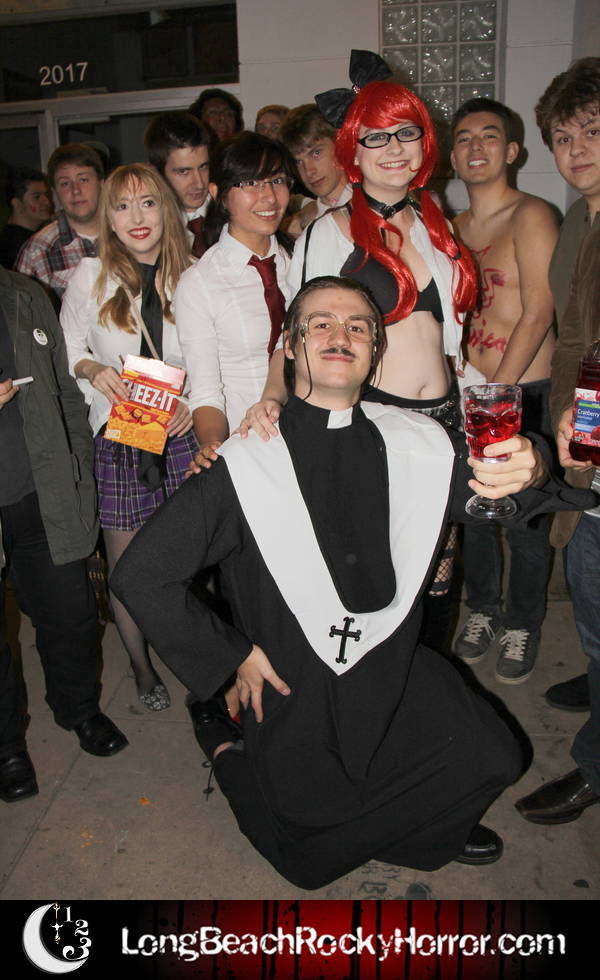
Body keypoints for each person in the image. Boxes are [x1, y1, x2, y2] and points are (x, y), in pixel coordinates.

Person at [111, 274, 593, 889]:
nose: (340, 334)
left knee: (498, 756)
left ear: (374, 352)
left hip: (391, 667)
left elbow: (507, 497)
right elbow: (141, 575)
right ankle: (224, 744)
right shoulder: (245, 462)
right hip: (295, 684)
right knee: (309, 864)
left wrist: (536, 463)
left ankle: (405, 828)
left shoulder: (418, 443)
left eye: (358, 327)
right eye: (320, 324)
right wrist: (231, 659)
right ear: (291, 346)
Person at [240, 51, 479, 650]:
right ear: (353, 149)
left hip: (444, 418)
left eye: (406, 132)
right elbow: (297, 334)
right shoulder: (329, 232)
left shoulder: (438, 224)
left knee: (438, 570)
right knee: (378, 571)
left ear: (425, 141)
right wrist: (273, 397)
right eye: (375, 137)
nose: (394, 148)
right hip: (375, 421)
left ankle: (427, 685)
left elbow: (451, 336)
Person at [60, 163, 195, 712]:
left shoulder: (194, 275)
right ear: (108, 219)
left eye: (147, 203)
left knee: (189, 560)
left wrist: (195, 403)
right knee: (127, 567)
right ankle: (141, 668)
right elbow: (67, 349)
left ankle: (195, 659)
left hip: (183, 433)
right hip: (122, 436)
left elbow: (215, 357)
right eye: (121, 206)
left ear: (166, 209)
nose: (136, 217)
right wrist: (92, 369)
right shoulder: (90, 276)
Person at [0, 267, 128, 803]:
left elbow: (62, 390)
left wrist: (80, 466)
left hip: (42, 490)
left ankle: (78, 709)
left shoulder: (23, 293)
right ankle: (7, 747)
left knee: (72, 617)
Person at [515, 57, 600, 824]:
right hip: (587, 426)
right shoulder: (581, 216)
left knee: (593, 572)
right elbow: (576, 337)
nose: (577, 151)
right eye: (564, 138)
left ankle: (595, 767)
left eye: (593, 132)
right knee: (583, 567)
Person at [450, 98, 559, 684]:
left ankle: (522, 621)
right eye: (464, 138)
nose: (476, 147)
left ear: (512, 151)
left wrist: (497, 393)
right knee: (474, 512)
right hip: (470, 393)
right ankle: (484, 610)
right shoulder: (450, 229)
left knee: (525, 518)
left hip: (523, 391)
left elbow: (538, 310)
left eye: (489, 136)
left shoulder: (532, 214)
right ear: (452, 156)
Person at [174, 132, 293, 462]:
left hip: (313, 434)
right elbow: (207, 391)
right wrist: (213, 446)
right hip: (248, 445)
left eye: (277, 180)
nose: (269, 196)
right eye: (250, 183)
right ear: (219, 195)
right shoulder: (200, 283)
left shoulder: (302, 262)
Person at [15, 144, 104, 304]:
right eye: (65, 183)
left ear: (101, 184)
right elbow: (21, 313)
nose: (76, 190)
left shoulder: (127, 236)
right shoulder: (37, 252)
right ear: (55, 191)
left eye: (84, 179)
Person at [144, 111, 212, 258]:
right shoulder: (148, 229)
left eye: (203, 167)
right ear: (156, 173)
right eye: (183, 171)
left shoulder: (231, 213)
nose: (199, 183)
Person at [278, 104, 351, 237]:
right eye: (298, 162)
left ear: (340, 144)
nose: (309, 171)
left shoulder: (375, 207)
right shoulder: (299, 229)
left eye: (316, 153)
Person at [0, 167, 52, 269]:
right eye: (37, 197)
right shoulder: (13, 247)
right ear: (17, 204)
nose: (46, 202)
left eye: (46, 195)